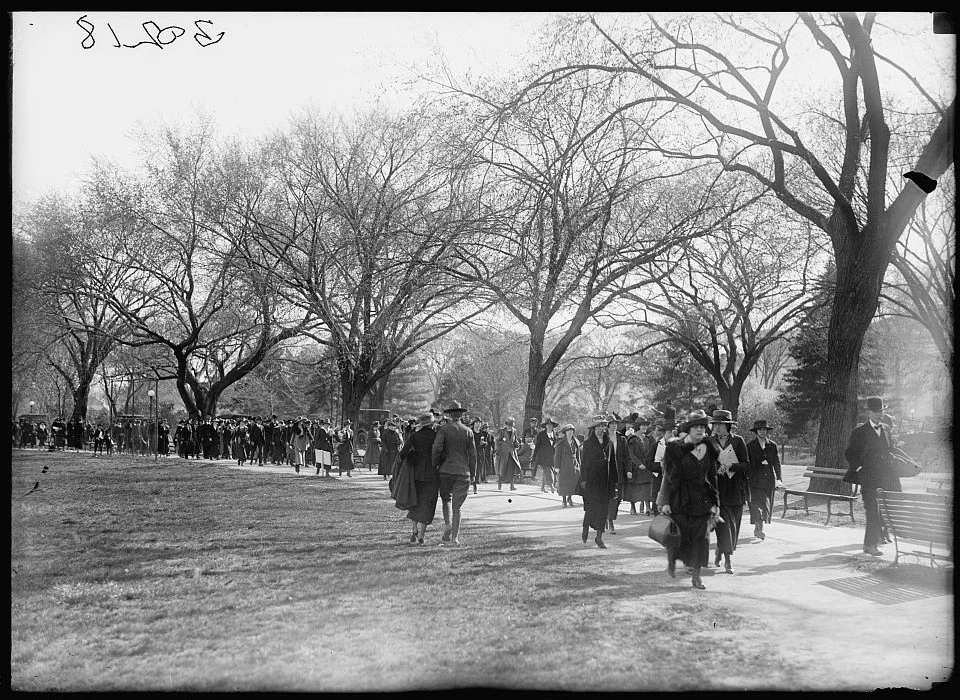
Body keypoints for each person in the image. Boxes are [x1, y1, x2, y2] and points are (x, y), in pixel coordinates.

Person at [659, 410, 721, 590]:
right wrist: (666, 502)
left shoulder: (709, 448)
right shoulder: (675, 448)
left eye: (703, 427)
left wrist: (716, 503)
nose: (700, 430)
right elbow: (670, 477)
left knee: (701, 540)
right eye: (696, 427)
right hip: (680, 499)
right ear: (689, 429)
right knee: (681, 537)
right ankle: (672, 560)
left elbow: (713, 476)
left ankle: (696, 577)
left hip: (702, 500)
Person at [843, 396, 903, 556]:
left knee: (883, 512)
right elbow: (849, 453)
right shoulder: (859, 432)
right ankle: (869, 545)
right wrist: (860, 468)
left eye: (881, 411)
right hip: (867, 479)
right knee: (872, 511)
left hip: (883, 479)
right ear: (869, 412)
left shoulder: (885, 430)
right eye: (876, 412)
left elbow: (888, 451)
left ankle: (875, 541)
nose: (879, 414)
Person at [431, 401, 477, 546]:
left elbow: (436, 449)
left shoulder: (444, 430)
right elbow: (473, 455)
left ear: (449, 414)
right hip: (463, 472)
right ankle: (455, 538)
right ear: (461, 414)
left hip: (445, 471)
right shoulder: (468, 431)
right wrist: (473, 472)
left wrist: (435, 465)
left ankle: (448, 525)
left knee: (446, 500)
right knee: (457, 507)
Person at [709, 410, 749, 574]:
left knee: (735, 526)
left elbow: (747, 465)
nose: (717, 428)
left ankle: (721, 549)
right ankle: (728, 560)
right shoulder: (709, 442)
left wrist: (731, 466)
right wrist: (715, 470)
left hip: (736, 490)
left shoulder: (738, 442)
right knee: (724, 526)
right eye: (715, 424)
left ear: (728, 426)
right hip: (718, 491)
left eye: (721, 425)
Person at [398, 412, 440, 545]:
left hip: (416, 472)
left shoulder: (414, 435)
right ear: (432, 424)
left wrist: (412, 456)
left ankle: (414, 529)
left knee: (415, 500)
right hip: (432, 473)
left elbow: (403, 453)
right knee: (428, 503)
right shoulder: (436, 436)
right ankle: (422, 534)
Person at [579, 416, 615, 548]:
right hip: (592, 480)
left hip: (605, 481)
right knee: (592, 507)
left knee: (604, 509)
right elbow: (584, 464)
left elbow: (613, 464)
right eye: (599, 426)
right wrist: (584, 480)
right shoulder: (588, 444)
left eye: (604, 426)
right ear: (594, 428)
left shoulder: (609, 443)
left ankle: (599, 537)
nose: (602, 429)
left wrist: (614, 482)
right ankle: (585, 528)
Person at [745, 419, 783, 541]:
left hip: (768, 482)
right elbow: (747, 463)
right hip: (754, 481)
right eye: (760, 429)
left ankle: (758, 529)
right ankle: (759, 529)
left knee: (765, 505)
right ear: (756, 431)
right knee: (756, 505)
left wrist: (779, 479)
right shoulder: (750, 446)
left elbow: (776, 463)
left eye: (764, 429)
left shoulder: (772, 445)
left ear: (767, 431)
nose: (762, 431)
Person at [623, 417, 653, 515]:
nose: (645, 427)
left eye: (646, 425)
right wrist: (638, 464)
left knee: (647, 486)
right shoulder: (632, 439)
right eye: (642, 425)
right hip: (635, 465)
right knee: (634, 487)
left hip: (646, 465)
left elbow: (651, 452)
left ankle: (648, 508)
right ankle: (632, 507)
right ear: (637, 426)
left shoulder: (647, 438)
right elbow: (630, 454)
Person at [605, 415, 628, 534]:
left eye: (615, 423)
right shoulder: (602, 437)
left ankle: (608, 516)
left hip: (619, 472)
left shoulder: (621, 438)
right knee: (609, 497)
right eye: (612, 423)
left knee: (619, 498)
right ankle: (610, 521)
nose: (614, 425)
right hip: (605, 471)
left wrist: (628, 470)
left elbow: (627, 456)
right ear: (607, 425)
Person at [554, 423, 581, 508]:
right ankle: (564, 500)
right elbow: (557, 455)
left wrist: (579, 465)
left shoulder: (576, 442)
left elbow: (578, 454)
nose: (570, 433)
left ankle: (570, 498)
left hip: (573, 465)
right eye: (568, 431)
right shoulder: (561, 442)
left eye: (571, 431)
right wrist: (557, 467)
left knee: (573, 483)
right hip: (564, 465)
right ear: (565, 432)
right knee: (564, 483)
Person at [532, 418, 559, 493]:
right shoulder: (541, 434)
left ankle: (542, 487)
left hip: (552, 457)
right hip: (543, 456)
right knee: (547, 470)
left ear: (553, 426)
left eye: (551, 425)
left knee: (549, 471)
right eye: (548, 425)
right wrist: (534, 457)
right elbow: (537, 446)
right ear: (545, 426)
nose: (550, 426)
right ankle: (551, 486)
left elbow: (556, 445)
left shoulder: (555, 434)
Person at [495, 417, 522, 491]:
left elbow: (515, 440)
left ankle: (512, 485)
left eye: (511, 425)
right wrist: (498, 450)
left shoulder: (514, 431)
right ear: (506, 424)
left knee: (511, 468)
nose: (510, 426)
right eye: (509, 424)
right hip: (503, 453)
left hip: (512, 452)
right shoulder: (502, 431)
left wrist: (517, 444)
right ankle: (499, 483)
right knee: (502, 468)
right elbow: (497, 441)